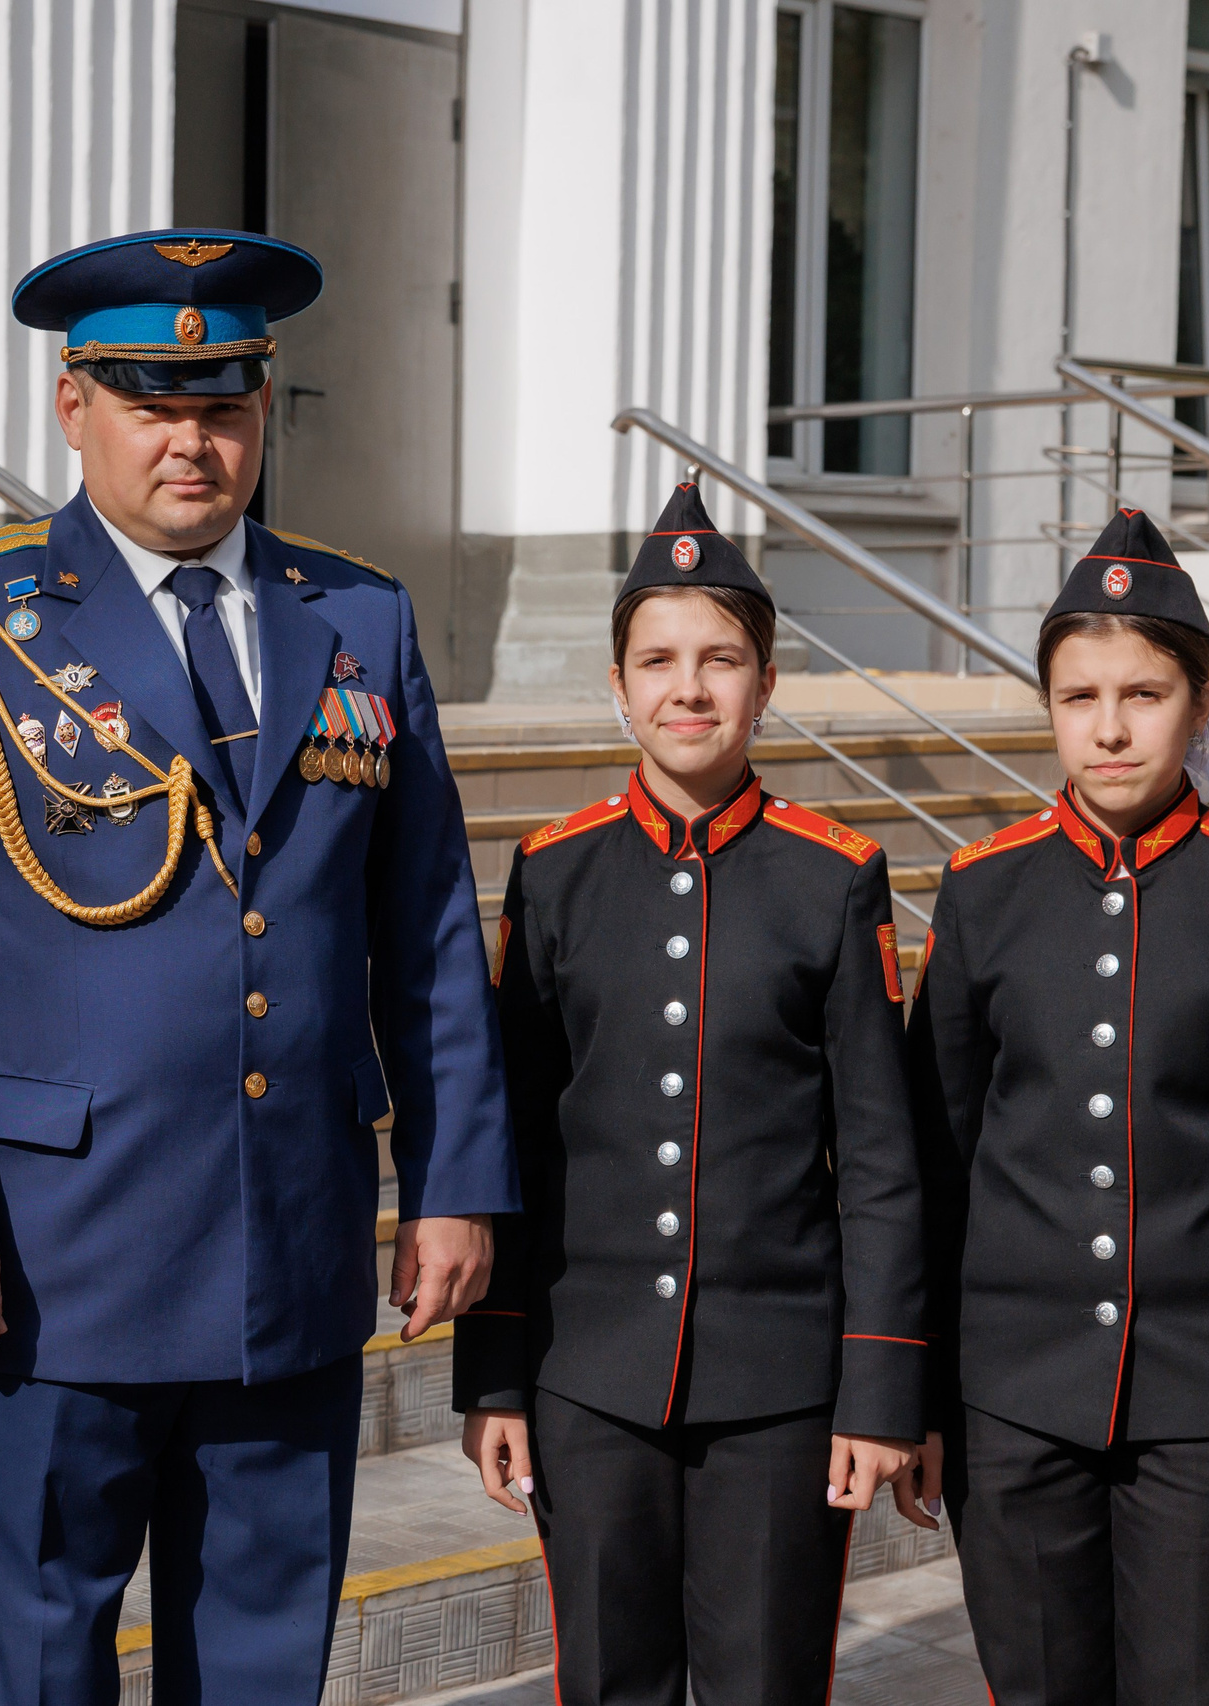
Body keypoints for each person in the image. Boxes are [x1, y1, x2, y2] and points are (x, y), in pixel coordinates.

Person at [0, 228, 517, 1702]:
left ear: (264, 407)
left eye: (224, 402)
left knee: (264, 1663)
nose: (192, 441)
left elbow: (430, 931)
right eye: (152, 401)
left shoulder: (361, 619)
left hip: (292, 1246)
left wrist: (452, 1179)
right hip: (52, 1264)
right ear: (74, 408)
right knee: (29, 1665)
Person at [451, 483, 928, 1704]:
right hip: (588, 1370)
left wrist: (877, 1386)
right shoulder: (553, 873)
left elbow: (879, 1156)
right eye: (657, 659)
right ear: (617, 685)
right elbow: (516, 1140)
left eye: (722, 659)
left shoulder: (833, 879)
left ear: (767, 686)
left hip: (778, 1383)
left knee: (765, 1681)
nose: (690, 687)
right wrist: (495, 1373)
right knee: (611, 1679)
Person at [905, 509, 1209, 1705]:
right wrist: (909, 1389)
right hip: (1013, 1399)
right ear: (1048, 707)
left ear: (1201, 702)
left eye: (1143, 692)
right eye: (1078, 697)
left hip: (1208, 1403)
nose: (1109, 727)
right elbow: (931, 1162)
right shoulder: (982, 891)